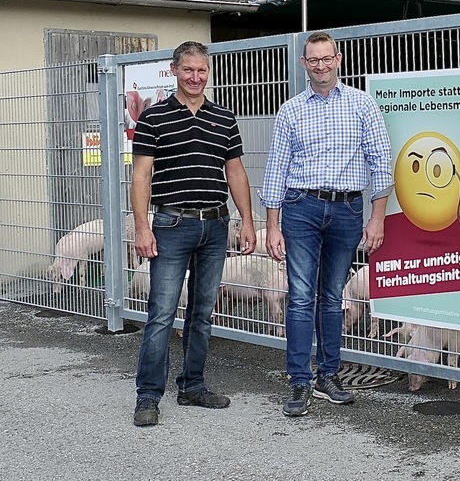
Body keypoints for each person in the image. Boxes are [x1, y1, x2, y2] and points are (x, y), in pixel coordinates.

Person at [260, 31, 392, 417]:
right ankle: (299, 381)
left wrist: (378, 217)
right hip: (300, 207)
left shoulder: (362, 105)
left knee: (333, 297)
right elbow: (276, 169)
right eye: (312, 60)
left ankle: (328, 375)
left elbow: (381, 161)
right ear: (304, 64)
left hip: (348, 210)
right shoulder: (291, 110)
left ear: (338, 59)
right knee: (300, 296)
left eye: (326, 58)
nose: (320, 65)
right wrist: (272, 223)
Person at [131, 41, 257, 427]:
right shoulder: (153, 118)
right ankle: (148, 396)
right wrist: (141, 226)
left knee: (202, 313)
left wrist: (247, 221)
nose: (195, 77)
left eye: (202, 70)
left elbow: (234, 172)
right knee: (162, 314)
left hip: (216, 227)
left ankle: (193, 385)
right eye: (188, 70)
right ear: (174, 71)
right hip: (171, 225)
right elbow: (141, 175)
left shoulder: (224, 117)